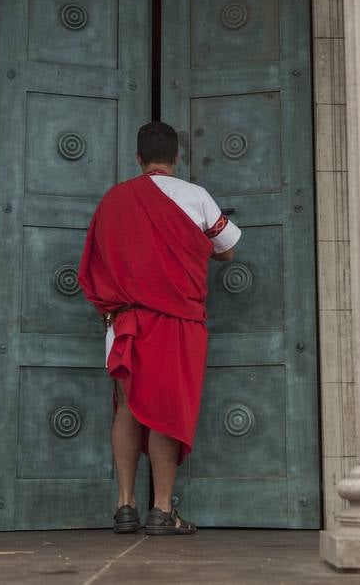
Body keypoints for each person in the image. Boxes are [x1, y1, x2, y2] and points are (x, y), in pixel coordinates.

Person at [77, 122, 241, 537]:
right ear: (176, 157)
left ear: (138, 158)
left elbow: (95, 258)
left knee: (128, 407)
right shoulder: (195, 196)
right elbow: (227, 249)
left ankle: (125, 506)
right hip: (176, 322)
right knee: (167, 411)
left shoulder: (113, 200)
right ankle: (163, 510)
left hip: (125, 322)